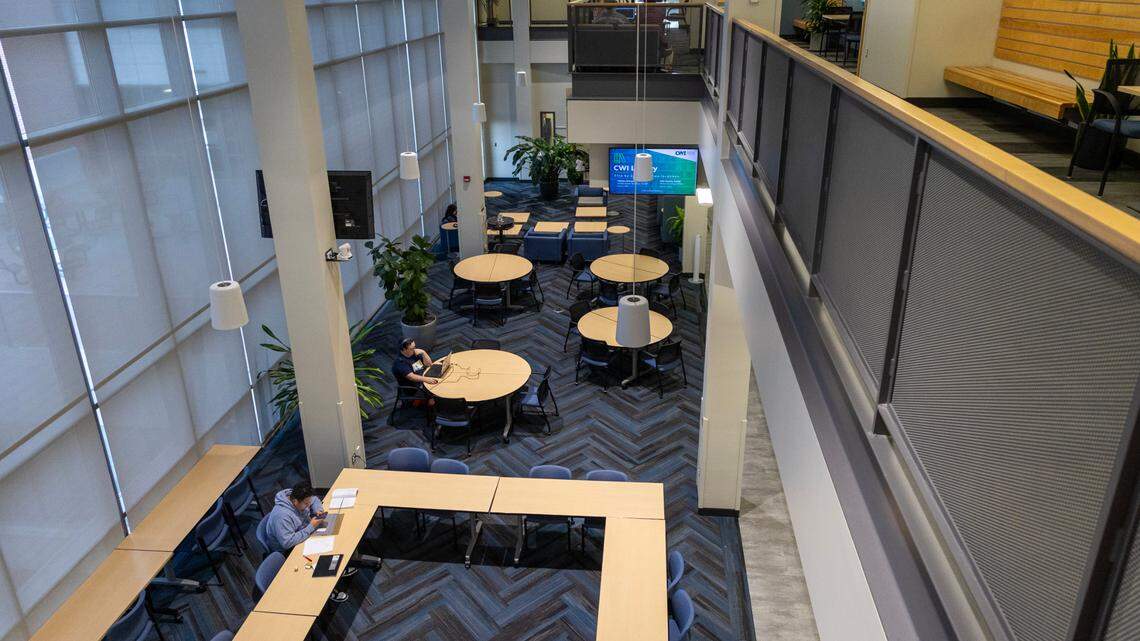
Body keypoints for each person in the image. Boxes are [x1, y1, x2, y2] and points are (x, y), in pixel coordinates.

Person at [265, 482, 327, 554]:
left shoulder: (297, 495)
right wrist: (311, 527)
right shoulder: (282, 516)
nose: (309, 505)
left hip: (302, 532)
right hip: (288, 551)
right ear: (295, 501)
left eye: (309, 502)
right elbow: (287, 543)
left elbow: (314, 499)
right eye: (306, 504)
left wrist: (318, 510)